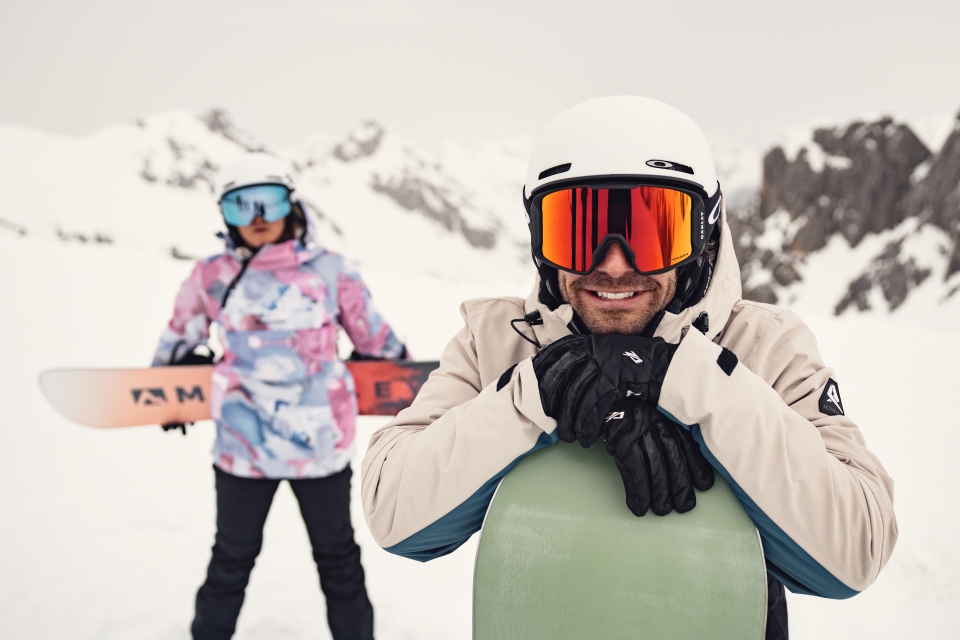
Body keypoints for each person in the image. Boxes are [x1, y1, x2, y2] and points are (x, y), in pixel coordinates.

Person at [360, 97, 897, 639]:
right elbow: (393, 510)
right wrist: (531, 395)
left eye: (654, 230)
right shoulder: (498, 341)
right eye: (578, 229)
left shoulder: (766, 347)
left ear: (704, 237)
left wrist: (685, 379)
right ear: (539, 242)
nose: (614, 265)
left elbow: (855, 549)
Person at [154, 153, 406, 640]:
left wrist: (386, 370)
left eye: (267, 203)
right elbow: (177, 339)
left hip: (320, 447)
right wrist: (172, 381)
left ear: (290, 204)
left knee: (338, 562)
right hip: (242, 447)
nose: (258, 219)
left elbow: (380, 344)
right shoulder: (211, 275)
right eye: (240, 207)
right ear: (224, 214)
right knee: (231, 560)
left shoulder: (332, 271)